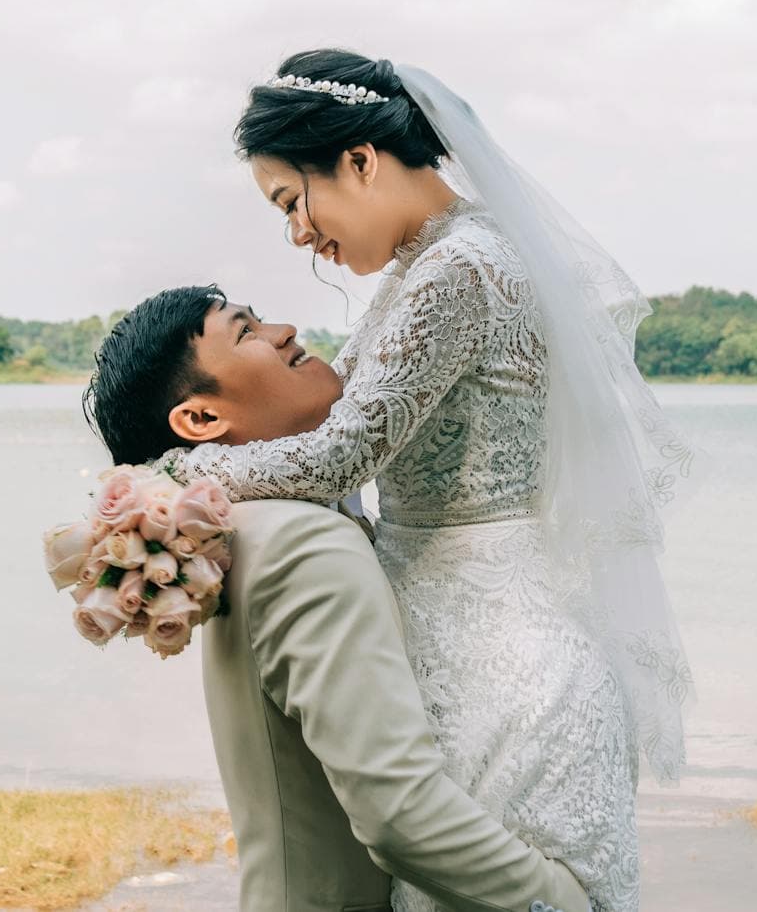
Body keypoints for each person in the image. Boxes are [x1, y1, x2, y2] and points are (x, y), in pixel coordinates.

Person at [155, 51, 702, 912]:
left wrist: (182, 470)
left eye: (290, 201)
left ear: (361, 161)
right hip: (456, 645)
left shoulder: (461, 268)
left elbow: (341, 455)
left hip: (505, 671)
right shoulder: (427, 265)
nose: (298, 235)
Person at [84, 285, 589, 912]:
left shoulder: (245, 529)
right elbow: (400, 814)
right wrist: (564, 901)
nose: (287, 331)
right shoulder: (303, 543)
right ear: (202, 421)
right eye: (247, 333)